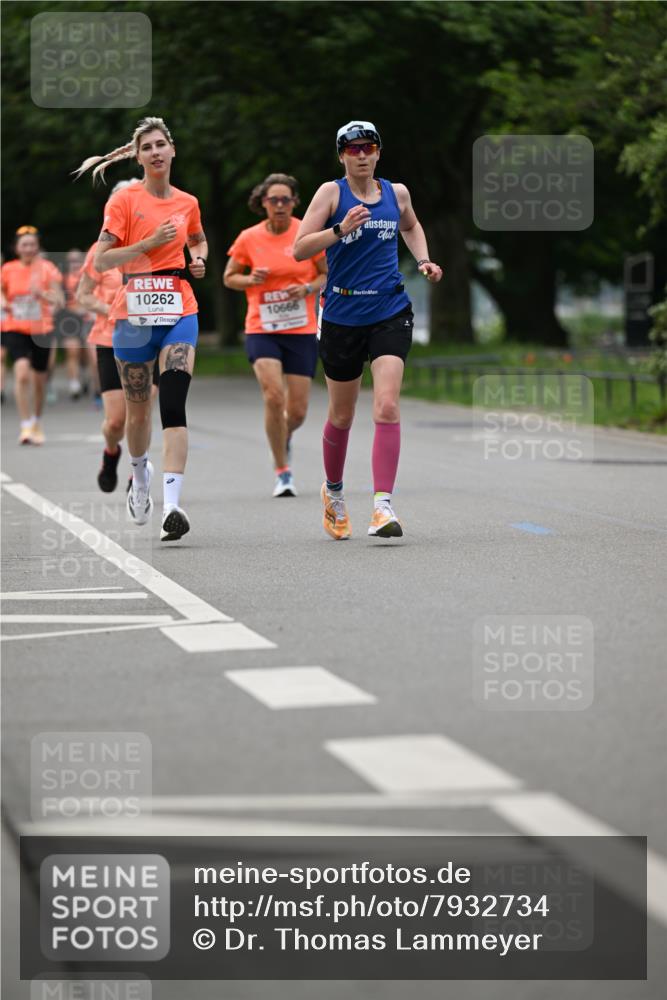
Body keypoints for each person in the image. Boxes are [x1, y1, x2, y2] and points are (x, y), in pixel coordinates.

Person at [294, 121, 442, 540]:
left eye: (369, 147)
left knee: (387, 407)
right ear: (341, 155)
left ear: (378, 152)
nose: (362, 154)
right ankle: (335, 493)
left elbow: (410, 226)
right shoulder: (330, 194)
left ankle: (382, 505)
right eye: (353, 148)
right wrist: (341, 229)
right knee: (342, 415)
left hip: (390, 309)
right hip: (342, 312)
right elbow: (300, 247)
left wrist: (424, 259)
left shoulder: (397, 193)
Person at [73, 116, 207, 541]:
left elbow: (198, 239)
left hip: (179, 308)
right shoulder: (124, 202)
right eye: (146, 147)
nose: (154, 152)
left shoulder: (188, 202)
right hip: (132, 315)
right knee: (135, 412)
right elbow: (101, 262)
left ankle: (173, 505)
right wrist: (147, 245)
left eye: (160, 144)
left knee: (173, 400)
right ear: (138, 156)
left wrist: (199, 259)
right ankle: (139, 477)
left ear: (172, 150)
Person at [224, 174, 327, 497]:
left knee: (296, 412)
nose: (280, 206)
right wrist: (251, 279)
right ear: (263, 203)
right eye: (273, 200)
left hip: (300, 329)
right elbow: (229, 278)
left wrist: (308, 287)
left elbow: (326, 273)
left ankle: (283, 437)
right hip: (262, 328)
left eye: (286, 199)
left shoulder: (306, 233)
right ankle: (283, 471)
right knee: (273, 395)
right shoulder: (248, 238)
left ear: (295, 202)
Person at [76, 180, 159, 493]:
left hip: (150, 340)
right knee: (115, 422)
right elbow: (83, 295)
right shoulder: (99, 252)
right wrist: (112, 307)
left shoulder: (157, 248)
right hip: (110, 340)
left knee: (141, 409)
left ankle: (137, 473)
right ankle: (111, 453)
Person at [0, 226, 64, 444]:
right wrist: (3, 302)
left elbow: (59, 300)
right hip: (15, 327)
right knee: (21, 373)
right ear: (16, 248)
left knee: (39, 380)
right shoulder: (8, 269)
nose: (28, 248)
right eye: (24, 245)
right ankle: (25, 426)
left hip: (42, 329)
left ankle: (37, 420)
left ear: (38, 246)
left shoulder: (48, 268)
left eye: (32, 244)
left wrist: (43, 294)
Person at [56, 248, 94, 399]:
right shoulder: (62, 279)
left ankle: (84, 375)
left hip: (87, 318)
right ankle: (74, 384)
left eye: (77, 260)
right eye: (71, 261)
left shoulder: (90, 277)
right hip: (70, 318)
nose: (74, 263)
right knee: (72, 350)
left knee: (86, 353)